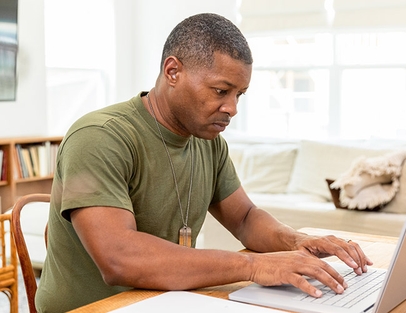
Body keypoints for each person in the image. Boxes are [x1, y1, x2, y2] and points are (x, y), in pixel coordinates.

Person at [35, 13, 373, 312]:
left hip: (167, 300)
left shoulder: (208, 143)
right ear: (173, 71)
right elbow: (119, 258)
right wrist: (253, 265)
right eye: (220, 91)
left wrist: (296, 241)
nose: (232, 108)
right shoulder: (99, 137)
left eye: (239, 94)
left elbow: (244, 218)